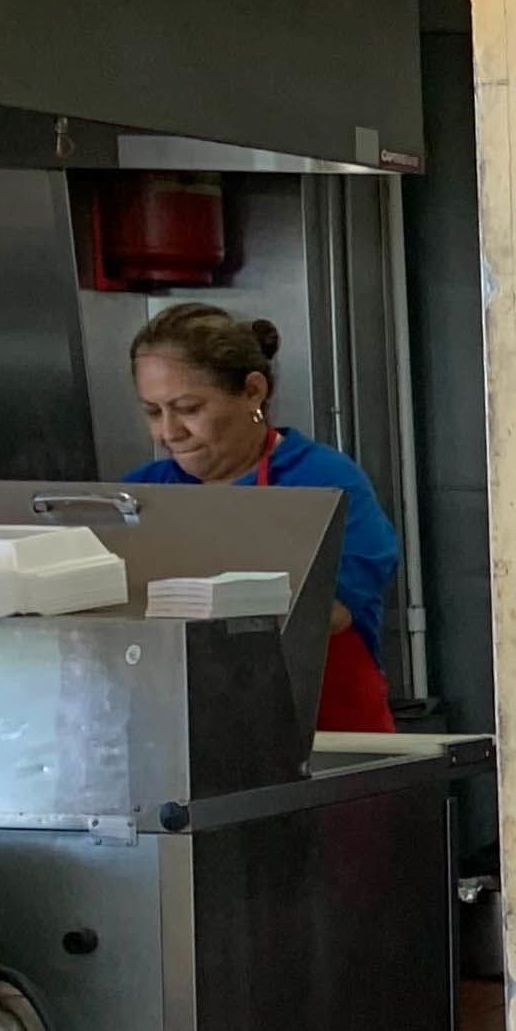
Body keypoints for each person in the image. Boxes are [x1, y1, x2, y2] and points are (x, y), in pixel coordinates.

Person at [123, 304, 402, 733]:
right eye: (153, 412)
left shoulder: (322, 482)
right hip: (190, 737)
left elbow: (334, 612)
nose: (169, 432)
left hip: (323, 739)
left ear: (253, 391)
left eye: (188, 408)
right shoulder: (142, 494)